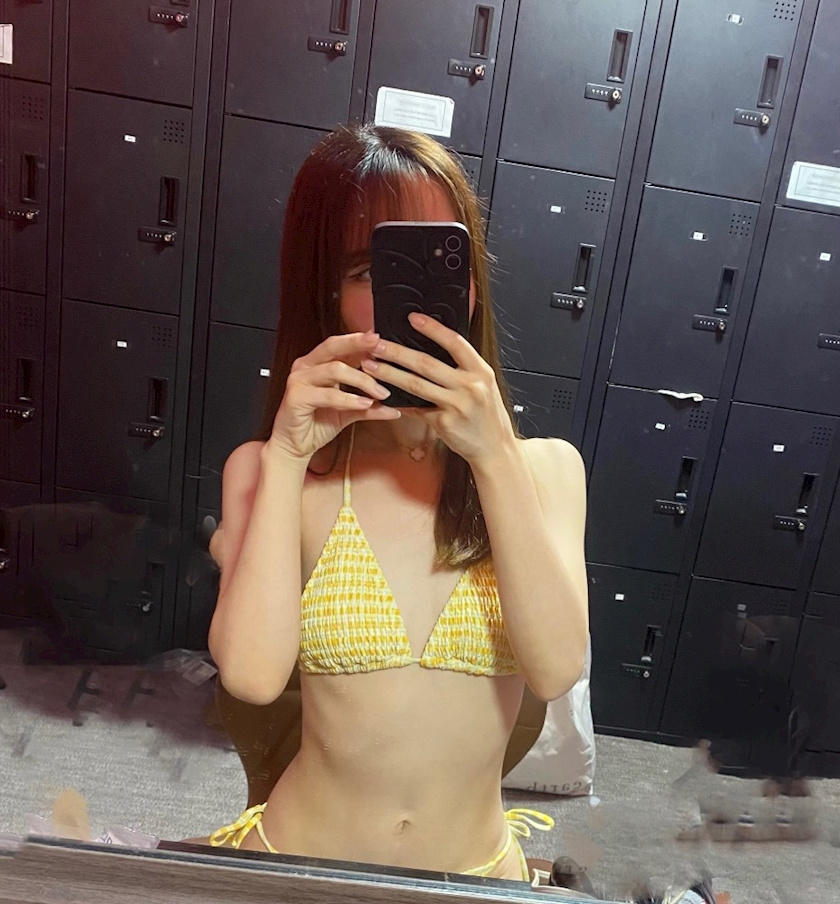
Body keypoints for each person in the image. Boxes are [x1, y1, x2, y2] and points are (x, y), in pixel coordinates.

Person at [204, 123, 589, 881]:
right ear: (325, 291)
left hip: (477, 878)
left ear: (472, 278)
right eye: (370, 268)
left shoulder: (545, 470)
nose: (411, 305)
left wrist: (493, 456)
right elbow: (250, 675)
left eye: (441, 260)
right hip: (299, 871)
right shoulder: (270, 470)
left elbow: (554, 670)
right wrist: (287, 453)